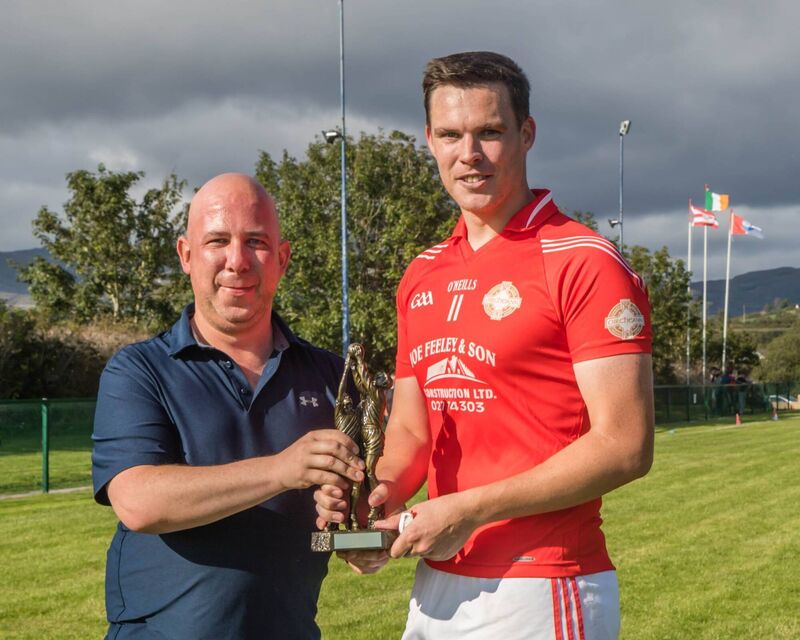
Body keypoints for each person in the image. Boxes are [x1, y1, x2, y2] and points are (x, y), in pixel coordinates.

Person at [315, 51, 654, 639]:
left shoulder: (583, 262)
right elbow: (413, 433)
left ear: (526, 134)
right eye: (450, 134)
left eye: (489, 132)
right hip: (437, 580)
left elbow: (625, 445)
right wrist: (375, 500)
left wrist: (468, 509)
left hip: (543, 583)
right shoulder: (421, 274)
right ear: (429, 140)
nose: (468, 154)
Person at [91, 173, 365, 640]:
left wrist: (355, 533)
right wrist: (282, 470)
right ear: (186, 255)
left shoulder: (331, 377)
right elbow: (138, 501)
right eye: (218, 240)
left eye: (255, 242)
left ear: (282, 258)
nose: (237, 261)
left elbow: (346, 519)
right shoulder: (139, 370)